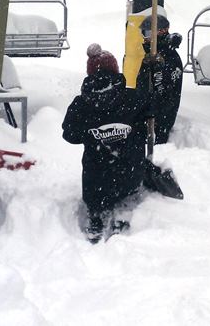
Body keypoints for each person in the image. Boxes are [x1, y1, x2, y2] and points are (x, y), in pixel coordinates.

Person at [62, 44, 153, 243]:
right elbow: (152, 109)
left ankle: (96, 219)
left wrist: (92, 134)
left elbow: (69, 135)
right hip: (129, 174)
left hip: (96, 181)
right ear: (115, 69)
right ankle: (122, 213)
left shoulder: (81, 104)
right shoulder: (133, 98)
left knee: (96, 195)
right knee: (126, 190)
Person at [136, 13, 183, 145]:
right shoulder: (154, 54)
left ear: (161, 32)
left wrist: (150, 116)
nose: (144, 38)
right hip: (148, 118)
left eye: (147, 33)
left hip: (156, 125)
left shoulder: (168, 58)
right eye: (143, 33)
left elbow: (165, 96)